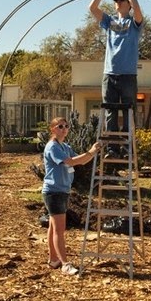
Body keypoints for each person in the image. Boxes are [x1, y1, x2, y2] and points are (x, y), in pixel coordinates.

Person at [41, 117, 101, 275]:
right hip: (54, 192)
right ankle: (65, 264)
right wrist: (91, 152)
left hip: (62, 190)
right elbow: (70, 162)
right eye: (60, 126)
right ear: (52, 129)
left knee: (54, 227)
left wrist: (94, 152)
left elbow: (80, 160)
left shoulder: (65, 146)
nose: (64, 129)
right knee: (59, 230)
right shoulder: (52, 147)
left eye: (66, 126)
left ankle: (54, 259)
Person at [89, 0, 144, 156]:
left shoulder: (134, 23)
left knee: (128, 111)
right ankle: (112, 149)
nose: (119, 1)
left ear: (128, 4)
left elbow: (139, 12)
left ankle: (127, 148)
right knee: (110, 112)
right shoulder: (109, 22)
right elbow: (92, 8)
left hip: (128, 75)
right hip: (109, 73)